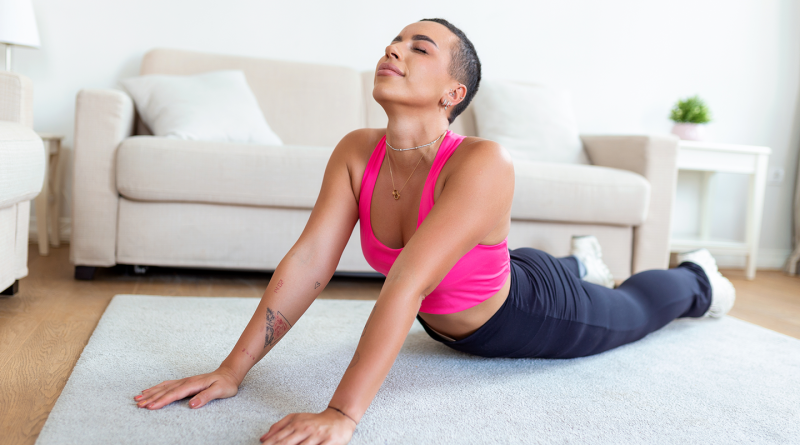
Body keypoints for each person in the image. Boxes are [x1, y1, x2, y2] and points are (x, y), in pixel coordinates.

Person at [132, 18, 736, 445]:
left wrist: (343, 412)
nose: (394, 50)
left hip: (531, 308)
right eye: (394, 40)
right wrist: (231, 370)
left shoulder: (483, 162)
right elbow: (310, 264)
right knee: (529, 261)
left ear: (454, 93)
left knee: (634, 308)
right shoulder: (355, 150)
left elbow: (408, 285)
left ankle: (698, 279)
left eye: (419, 48)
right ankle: (581, 262)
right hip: (498, 271)